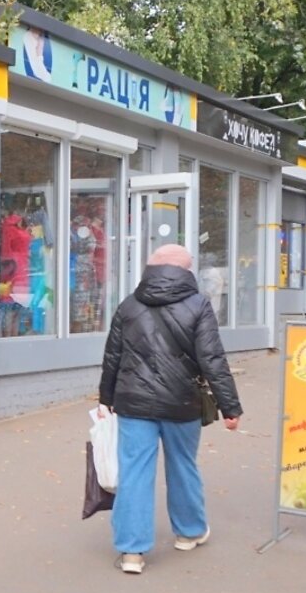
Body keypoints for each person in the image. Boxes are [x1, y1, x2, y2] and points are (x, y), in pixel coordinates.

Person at [97, 243, 242, 575]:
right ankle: (189, 532)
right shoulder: (198, 305)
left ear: (151, 268)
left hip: (133, 402)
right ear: (186, 271)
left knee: (134, 472)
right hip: (182, 401)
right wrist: (229, 407)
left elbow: (112, 357)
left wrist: (106, 398)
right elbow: (212, 359)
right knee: (183, 465)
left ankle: (132, 552)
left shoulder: (129, 305)